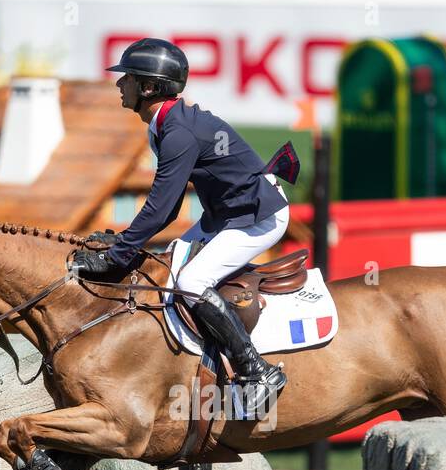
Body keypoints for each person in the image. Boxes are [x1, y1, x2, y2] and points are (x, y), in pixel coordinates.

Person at [73, 38, 291, 418]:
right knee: (168, 265)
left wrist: (119, 253)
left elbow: (159, 209)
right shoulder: (163, 126)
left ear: (149, 88)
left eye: (127, 78)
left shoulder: (178, 133)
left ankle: (256, 371)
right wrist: (124, 245)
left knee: (190, 282)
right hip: (226, 214)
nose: (119, 84)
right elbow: (170, 208)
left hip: (259, 217)